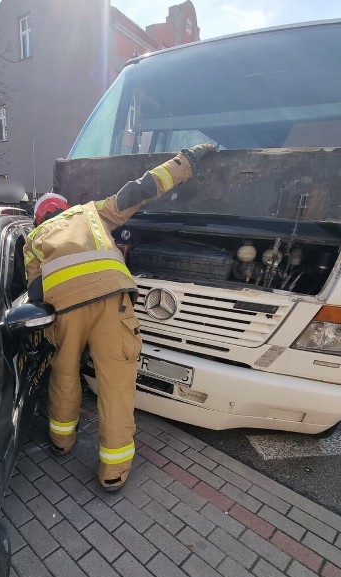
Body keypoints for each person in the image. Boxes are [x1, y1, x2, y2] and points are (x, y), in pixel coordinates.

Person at [24, 143, 216, 491]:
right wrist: (185, 161)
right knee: (116, 384)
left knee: (65, 375)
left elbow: (36, 293)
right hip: (112, 300)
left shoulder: (33, 239)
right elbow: (139, 190)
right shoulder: (90, 212)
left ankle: (60, 442)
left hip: (65, 309)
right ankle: (113, 472)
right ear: (64, 208)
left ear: (39, 218)